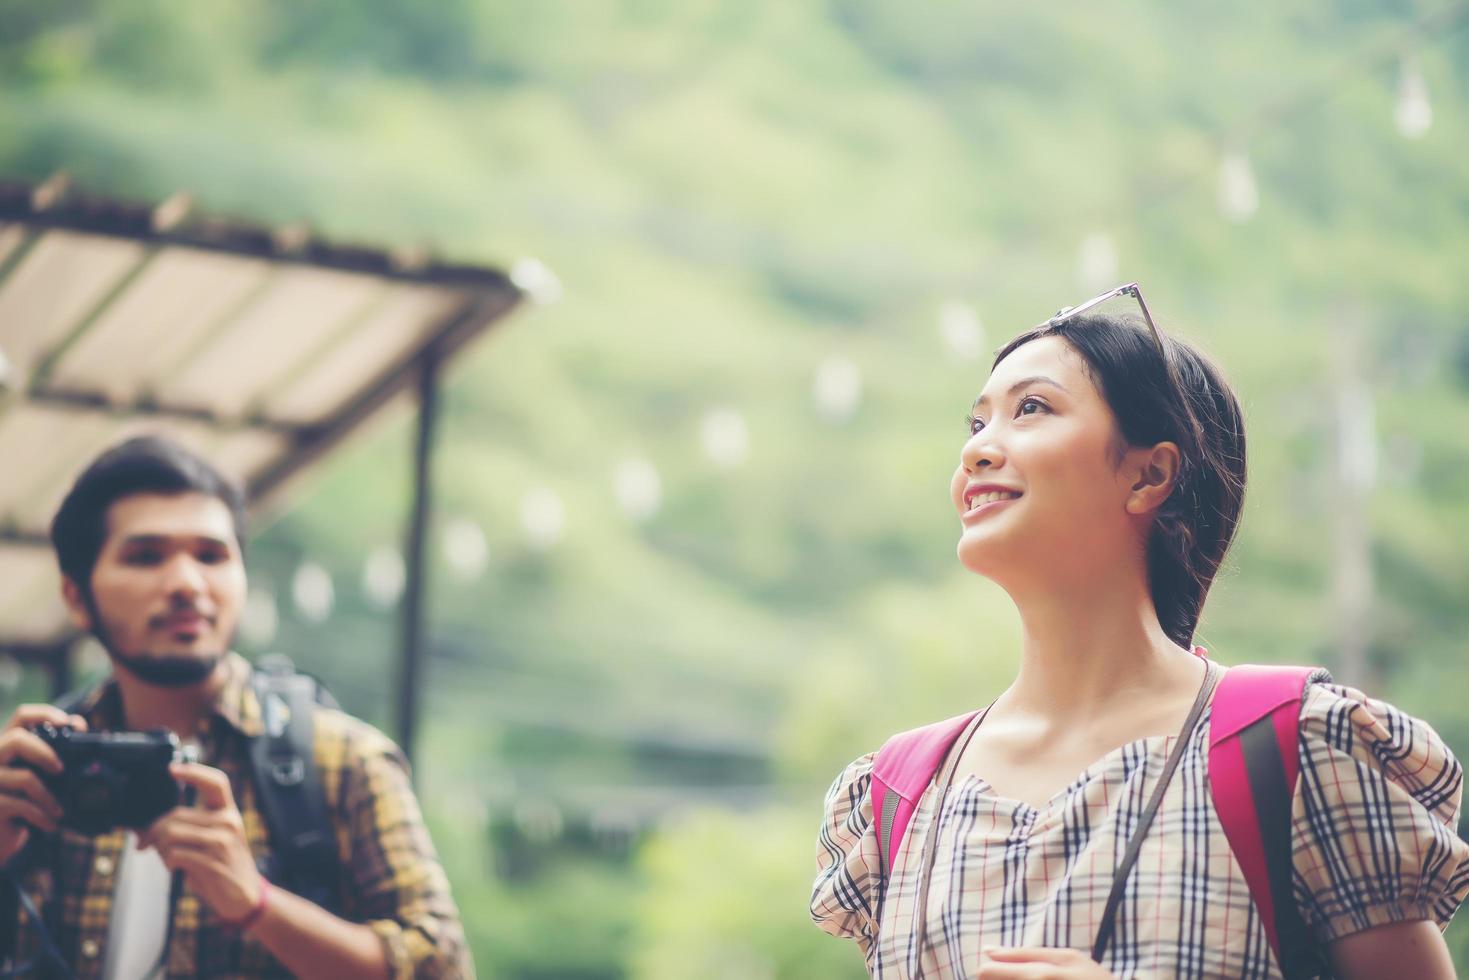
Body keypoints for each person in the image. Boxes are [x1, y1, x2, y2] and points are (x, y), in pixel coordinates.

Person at [810, 284, 1469, 979]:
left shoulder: (1290, 748)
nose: (978, 452)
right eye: (976, 426)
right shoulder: (898, 795)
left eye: (1030, 408)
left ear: (1149, 472)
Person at [0, 435, 473, 978]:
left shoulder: (344, 761)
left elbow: (444, 966)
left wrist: (257, 905)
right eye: (146, 556)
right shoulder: (40, 768)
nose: (186, 583)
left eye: (212, 555)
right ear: (76, 597)